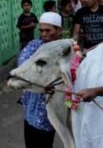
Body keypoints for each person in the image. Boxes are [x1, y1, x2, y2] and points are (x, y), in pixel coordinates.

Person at [18, 12, 62, 148]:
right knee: (31, 141)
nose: (43, 35)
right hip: (32, 103)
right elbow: (23, 68)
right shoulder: (34, 45)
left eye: (48, 30)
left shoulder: (66, 48)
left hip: (52, 106)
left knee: (45, 141)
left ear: (59, 30)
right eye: (41, 30)